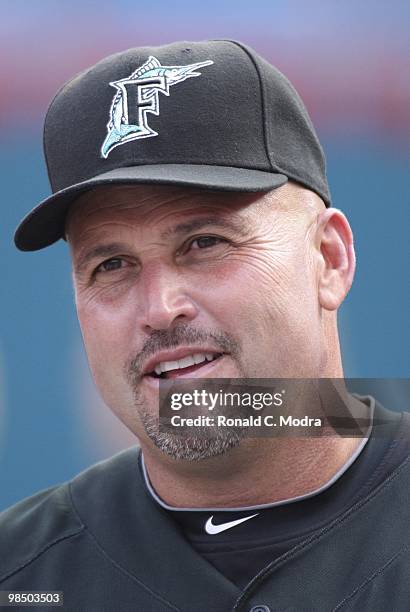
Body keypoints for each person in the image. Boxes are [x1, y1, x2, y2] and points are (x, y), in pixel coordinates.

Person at [1, 40, 409, 612]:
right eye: (111, 265)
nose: (160, 308)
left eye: (205, 243)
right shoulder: (21, 576)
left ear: (330, 259)